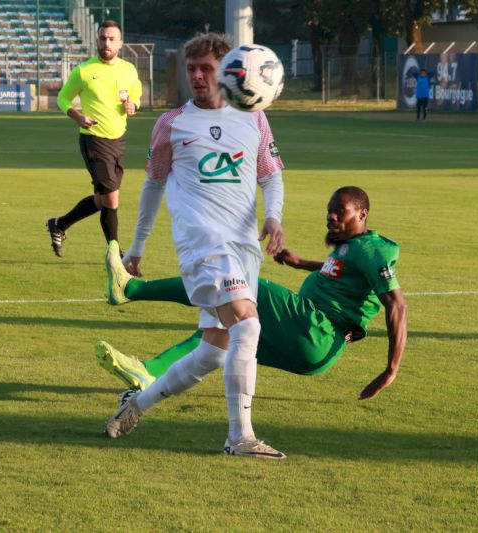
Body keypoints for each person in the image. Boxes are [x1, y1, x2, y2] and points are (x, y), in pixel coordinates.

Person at [103, 33, 287, 460]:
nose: (198, 76)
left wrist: (273, 216)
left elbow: (271, 174)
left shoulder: (254, 117)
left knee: (212, 352)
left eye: (206, 68)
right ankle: (240, 437)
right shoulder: (172, 123)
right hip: (202, 245)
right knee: (248, 326)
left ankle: (135, 406)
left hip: (244, 247)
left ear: (228, 71)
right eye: (192, 69)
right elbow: (153, 185)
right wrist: (136, 247)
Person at [98, 186, 408, 406]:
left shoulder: (373, 249)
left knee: (238, 284)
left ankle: (130, 289)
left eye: (340, 211)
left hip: (316, 329)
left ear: (362, 214)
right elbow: (340, 272)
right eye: (329, 210)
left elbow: (397, 305)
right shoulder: (351, 247)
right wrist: (301, 263)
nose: (331, 216)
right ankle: (148, 372)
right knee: (219, 332)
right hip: (310, 348)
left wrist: (391, 370)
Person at [46, 20, 142, 257]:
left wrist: (133, 105)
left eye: (111, 39)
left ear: (120, 43)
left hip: (118, 140)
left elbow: (136, 94)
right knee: (112, 199)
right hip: (94, 139)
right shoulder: (84, 71)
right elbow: (62, 98)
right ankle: (116, 255)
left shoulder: (129, 70)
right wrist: (78, 117)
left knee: (104, 200)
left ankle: (59, 224)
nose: (106, 42)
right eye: (102, 38)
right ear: (97, 41)